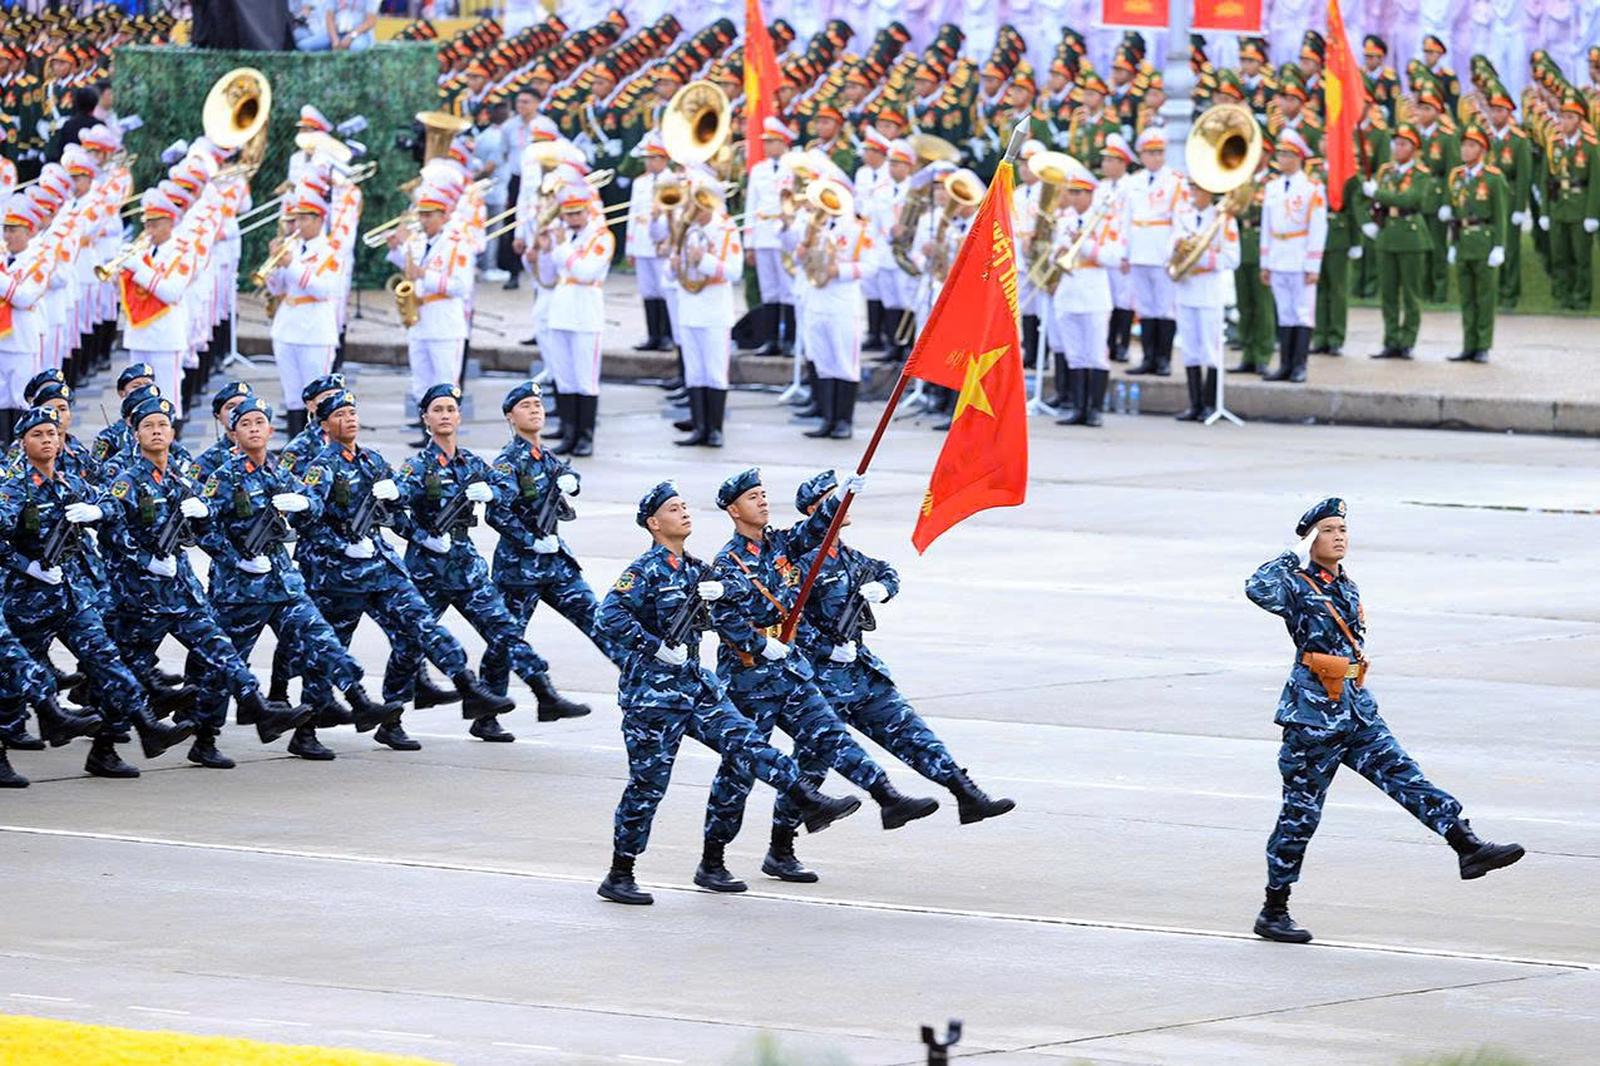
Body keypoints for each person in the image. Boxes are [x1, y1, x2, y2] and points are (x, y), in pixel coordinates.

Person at [1245, 498, 1524, 943]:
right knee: (1300, 816)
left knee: (1407, 776)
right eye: (1328, 530)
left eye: (1342, 529)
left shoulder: (1346, 585)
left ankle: (1466, 846)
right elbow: (1257, 589)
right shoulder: (1295, 584)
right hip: (1313, 719)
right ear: (1310, 539)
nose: (1339, 536)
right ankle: (1274, 910)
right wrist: (1290, 554)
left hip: (1357, 710)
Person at [595, 481, 863, 906]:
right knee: (648, 787)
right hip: (652, 698)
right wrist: (654, 645)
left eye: (685, 506)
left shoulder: (698, 570)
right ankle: (620, 873)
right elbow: (607, 616)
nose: (684, 513)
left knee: (747, 744)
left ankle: (807, 799)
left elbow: (746, 595)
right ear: (653, 523)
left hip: (695, 687)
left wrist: (725, 592)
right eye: (673, 509)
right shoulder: (645, 571)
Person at [699, 468, 937, 890]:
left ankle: (887, 798)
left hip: (790, 672)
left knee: (830, 735)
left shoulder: (781, 544)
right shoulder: (728, 563)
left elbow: (816, 530)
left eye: (764, 494)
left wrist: (839, 498)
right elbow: (723, 617)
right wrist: (758, 644)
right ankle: (712, 861)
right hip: (749, 681)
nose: (763, 501)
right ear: (734, 510)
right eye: (753, 497)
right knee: (739, 773)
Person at [790, 470, 1015, 821]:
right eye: (832, 499)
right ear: (812, 511)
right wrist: (824, 648)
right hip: (820, 681)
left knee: (911, 732)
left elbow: (887, 571)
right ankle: (781, 843)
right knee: (812, 768)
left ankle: (967, 794)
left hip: (860, 673)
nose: (844, 503)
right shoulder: (800, 559)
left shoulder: (849, 555)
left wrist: (884, 589)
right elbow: (787, 619)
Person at [97, 396, 307, 770]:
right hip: (141, 599)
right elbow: (110, 531)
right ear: (136, 434)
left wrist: (206, 516)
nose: (157, 432)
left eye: (163, 425)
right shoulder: (126, 482)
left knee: (220, 649)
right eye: (149, 426)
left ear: (172, 433)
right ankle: (104, 749)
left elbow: (206, 525)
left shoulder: (180, 479)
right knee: (126, 670)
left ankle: (256, 707)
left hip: (182, 593)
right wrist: (145, 560)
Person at [192, 396, 401, 764]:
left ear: (271, 431)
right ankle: (205, 738)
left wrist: (305, 504)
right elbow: (203, 529)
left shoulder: (279, 473)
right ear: (234, 434)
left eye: (260, 422)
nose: (254, 429)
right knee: (227, 665)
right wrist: (237, 559)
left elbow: (314, 503)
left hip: (283, 584)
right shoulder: (223, 478)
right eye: (246, 424)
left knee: (323, 642)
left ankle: (355, 701)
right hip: (240, 590)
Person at [295, 388, 511, 742]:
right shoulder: (321, 468)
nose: (349, 420)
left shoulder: (373, 461)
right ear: (324, 425)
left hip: (382, 569)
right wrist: (342, 545)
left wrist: (418, 529)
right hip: (338, 576)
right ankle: (306, 730)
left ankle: (467, 686)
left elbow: (397, 511)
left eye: (352, 413)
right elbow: (308, 522)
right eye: (339, 415)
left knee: (421, 625)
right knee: (331, 649)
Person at [383, 383, 589, 747]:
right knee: (410, 644)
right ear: (425, 419)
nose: (445, 416)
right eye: (438, 410)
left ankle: (543, 694)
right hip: (428, 571)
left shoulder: (473, 464)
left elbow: (509, 492)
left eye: (451, 409)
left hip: (467, 568)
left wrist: (497, 491)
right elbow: (392, 511)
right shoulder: (417, 467)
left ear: (459, 417)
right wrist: (422, 536)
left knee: (505, 632)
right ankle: (391, 718)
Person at [483, 379, 620, 699]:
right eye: (525, 406)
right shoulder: (508, 462)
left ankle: (641, 684)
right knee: (506, 640)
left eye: (538, 405)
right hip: (520, 570)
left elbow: (564, 474)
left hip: (556, 564)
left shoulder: (544, 455)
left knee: (598, 622)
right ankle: (488, 706)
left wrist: (573, 480)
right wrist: (529, 540)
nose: (535, 411)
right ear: (510, 417)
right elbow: (496, 513)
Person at [534, 181, 611, 457]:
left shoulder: (601, 237)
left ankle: (585, 435)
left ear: (588, 211)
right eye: (568, 214)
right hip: (561, 310)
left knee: (585, 378)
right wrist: (544, 250)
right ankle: (568, 433)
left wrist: (561, 247)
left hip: (586, 312)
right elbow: (547, 277)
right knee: (564, 376)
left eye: (578, 213)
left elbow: (586, 271)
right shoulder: (563, 237)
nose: (573, 218)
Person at [667, 174, 741, 448]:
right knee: (695, 372)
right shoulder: (685, 229)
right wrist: (673, 266)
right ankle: (699, 427)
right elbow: (671, 272)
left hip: (714, 309)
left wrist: (705, 260)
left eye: (698, 205)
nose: (693, 210)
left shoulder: (726, 229)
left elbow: (734, 270)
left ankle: (715, 429)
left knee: (715, 372)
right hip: (689, 307)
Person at [386, 185, 470, 414]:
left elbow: (461, 286)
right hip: (419, 321)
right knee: (421, 383)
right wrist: (396, 250)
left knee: (445, 385)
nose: (423, 221)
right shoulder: (417, 241)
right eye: (421, 215)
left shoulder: (456, 244)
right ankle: (426, 430)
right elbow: (410, 269)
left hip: (444, 323)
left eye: (429, 215)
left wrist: (425, 275)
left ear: (443, 216)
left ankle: (446, 433)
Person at [265, 189, 341, 441]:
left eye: (305, 218)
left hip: (315, 330)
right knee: (292, 395)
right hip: (287, 326)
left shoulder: (330, 251)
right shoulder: (292, 247)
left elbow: (323, 289)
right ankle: (295, 448)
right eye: (297, 218)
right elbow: (277, 289)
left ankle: (319, 449)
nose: (299, 224)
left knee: (318, 396)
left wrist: (291, 265)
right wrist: (273, 268)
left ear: (319, 220)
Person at [1048, 167, 1122, 427]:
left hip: (1093, 293)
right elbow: (1054, 253)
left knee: (1096, 353)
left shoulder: (1105, 220)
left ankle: (1095, 409)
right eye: (1071, 192)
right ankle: (1078, 408)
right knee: (1075, 354)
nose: (1074, 197)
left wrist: (1086, 244)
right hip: (1068, 292)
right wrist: (1056, 254)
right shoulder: (1064, 220)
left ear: (1091, 194)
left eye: (1079, 192)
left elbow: (1114, 256)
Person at [119, 190, 195, 434]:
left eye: (156, 223)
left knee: (168, 397)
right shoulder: (142, 250)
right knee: (137, 396)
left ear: (170, 222)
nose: (149, 229)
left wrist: (138, 269)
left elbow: (171, 292)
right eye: (147, 224)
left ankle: (172, 448)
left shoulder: (183, 252)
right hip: (138, 332)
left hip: (165, 335)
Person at [1259, 131, 1327, 383]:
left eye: (1288, 154)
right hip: (1278, 254)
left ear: (1299, 157)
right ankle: (1285, 365)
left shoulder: (1312, 188)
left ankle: (1300, 365)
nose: (1282, 159)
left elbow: (1318, 227)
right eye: (1280, 154)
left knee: (1302, 313)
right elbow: (1266, 226)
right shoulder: (1272, 187)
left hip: (1299, 255)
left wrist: (1313, 264)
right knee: (1284, 312)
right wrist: (1265, 262)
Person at [1170, 181, 1240, 420]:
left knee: (1211, 347)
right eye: (1192, 189)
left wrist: (1200, 256)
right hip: (1186, 288)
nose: (1193, 194)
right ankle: (1195, 403)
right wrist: (1177, 249)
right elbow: (1170, 245)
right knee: (1189, 347)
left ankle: (1211, 403)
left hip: (1209, 289)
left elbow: (1232, 258)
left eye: (1198, 190)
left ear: (1209, 192)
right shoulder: (1182, 215)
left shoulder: (1223, 219)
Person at [1442, 126, 1509, 364]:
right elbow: (1454, 213)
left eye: (1471, 145)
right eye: (1464, 145)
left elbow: (1500, 215)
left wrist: (1499, 246)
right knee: (1467, 298)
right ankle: (1468, 345)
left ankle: (1483, 345)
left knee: (1484, 298)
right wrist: (1452, 244)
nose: (1465, 150)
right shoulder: (1457, 176)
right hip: (1463, 242)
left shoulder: (1493, 177)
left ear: (1482, 150)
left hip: (1483, 242)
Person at [1364, 127, 1432, 361]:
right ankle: (1391, 340)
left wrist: (1378, 194)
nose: (1398, 148)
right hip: (1387, 236)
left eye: (1404, 144)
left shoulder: (1421, 174)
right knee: (1388, 294)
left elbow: (1409, 199)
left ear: (1414, 149)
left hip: (1411, 236)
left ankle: (1407, 341)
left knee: (1411, 295)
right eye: (1397, 143)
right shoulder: (1386, 171)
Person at [1121, 127, 1182, 377]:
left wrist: (1172, 252)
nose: (1155, 157)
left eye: (1159, 152)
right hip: (1139, 248)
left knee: (1165, 307)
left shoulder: (1175, 181)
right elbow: (1125, 219)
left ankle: (1163, 359)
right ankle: (1148, 357)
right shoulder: (1134, 181)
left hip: (1161, 248)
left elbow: (1178, 219)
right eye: (1150, 153)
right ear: (1141, 155)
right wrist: (1125, 252)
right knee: (1145, 306)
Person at [1538, 93, 1600, 313]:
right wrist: (1544, 211)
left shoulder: (1590, 146)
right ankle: (1562, 296)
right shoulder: (1553, 145)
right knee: (1559, 255)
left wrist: (1592, 214)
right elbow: (1546, 180)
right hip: (1558, 207)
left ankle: (1581, 297)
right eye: (1563, 117)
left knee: (1581, 257)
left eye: (1570, 117)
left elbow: (1595, 183)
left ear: (1580, 120)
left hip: (1579, 208)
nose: (1565, 122)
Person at [0, 193, 49, 445]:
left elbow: (24, 297)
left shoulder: (39, 259)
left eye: (13, 230)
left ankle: (22, 451)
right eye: (5, 230)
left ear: (29, 232)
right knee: (1, 399)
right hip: (1, 340)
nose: (7, 236)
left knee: (22, 399)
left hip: (21, 339)